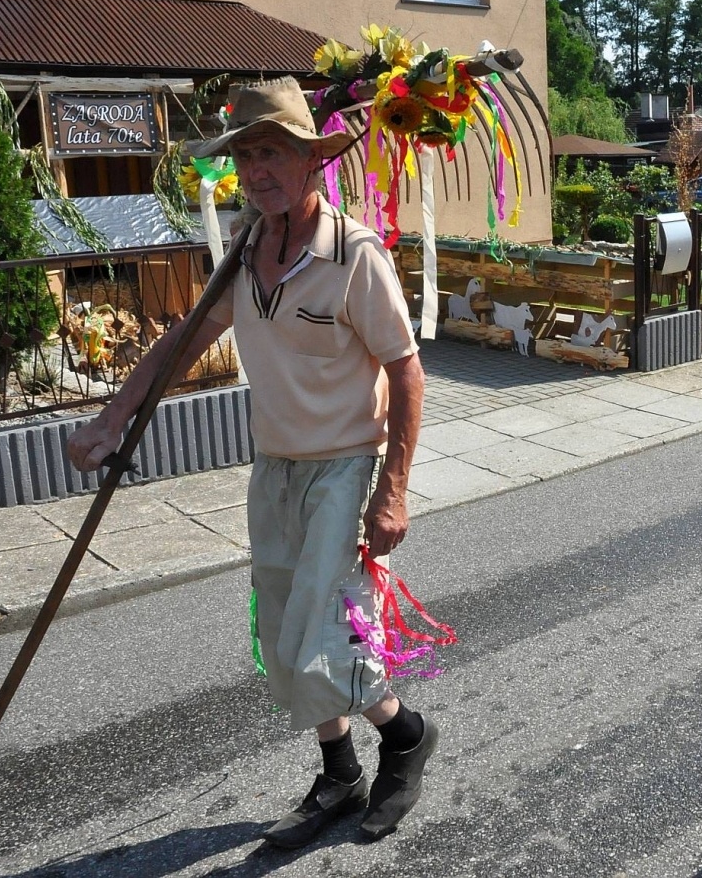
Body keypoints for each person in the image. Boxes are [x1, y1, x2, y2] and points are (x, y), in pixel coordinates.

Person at [66, 77, 433, 849]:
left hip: (343, 465)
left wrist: (392, 490)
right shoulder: (247, 249)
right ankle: (339, 770)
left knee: (322, 634)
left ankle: (403, 736)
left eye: (273, 152)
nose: (258, 169)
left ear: (309, 161)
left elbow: (405, 369)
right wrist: (111, 418)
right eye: (247, 155)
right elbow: (184, 339)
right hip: (273, 466)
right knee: (279, 630)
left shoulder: (355, 256)